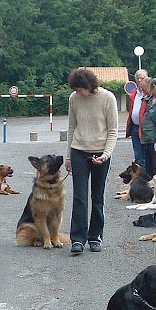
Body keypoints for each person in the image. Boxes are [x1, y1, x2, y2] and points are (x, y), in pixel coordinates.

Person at [65, 67, 118, 254]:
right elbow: (72, 127)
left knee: (97, 196)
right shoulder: (74, 98)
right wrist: (68, 156)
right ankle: (77, 238)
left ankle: (95, 236)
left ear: (89, 85)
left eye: (80, 89)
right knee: (79, 197)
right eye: (76, 89)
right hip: (79, 150)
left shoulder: (108, 98)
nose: (78, 93)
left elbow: (113, 130)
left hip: (100, 152)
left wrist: (106, 154)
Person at [125, 69, 149, 174]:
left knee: (146, 156)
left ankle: (146, 177)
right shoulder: (133, 94)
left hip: (145, 129)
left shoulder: (149, 94)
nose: (139, 80)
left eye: (142, 78)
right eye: (137, 78)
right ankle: (139, 177)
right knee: (138, 156)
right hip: (135, 127)